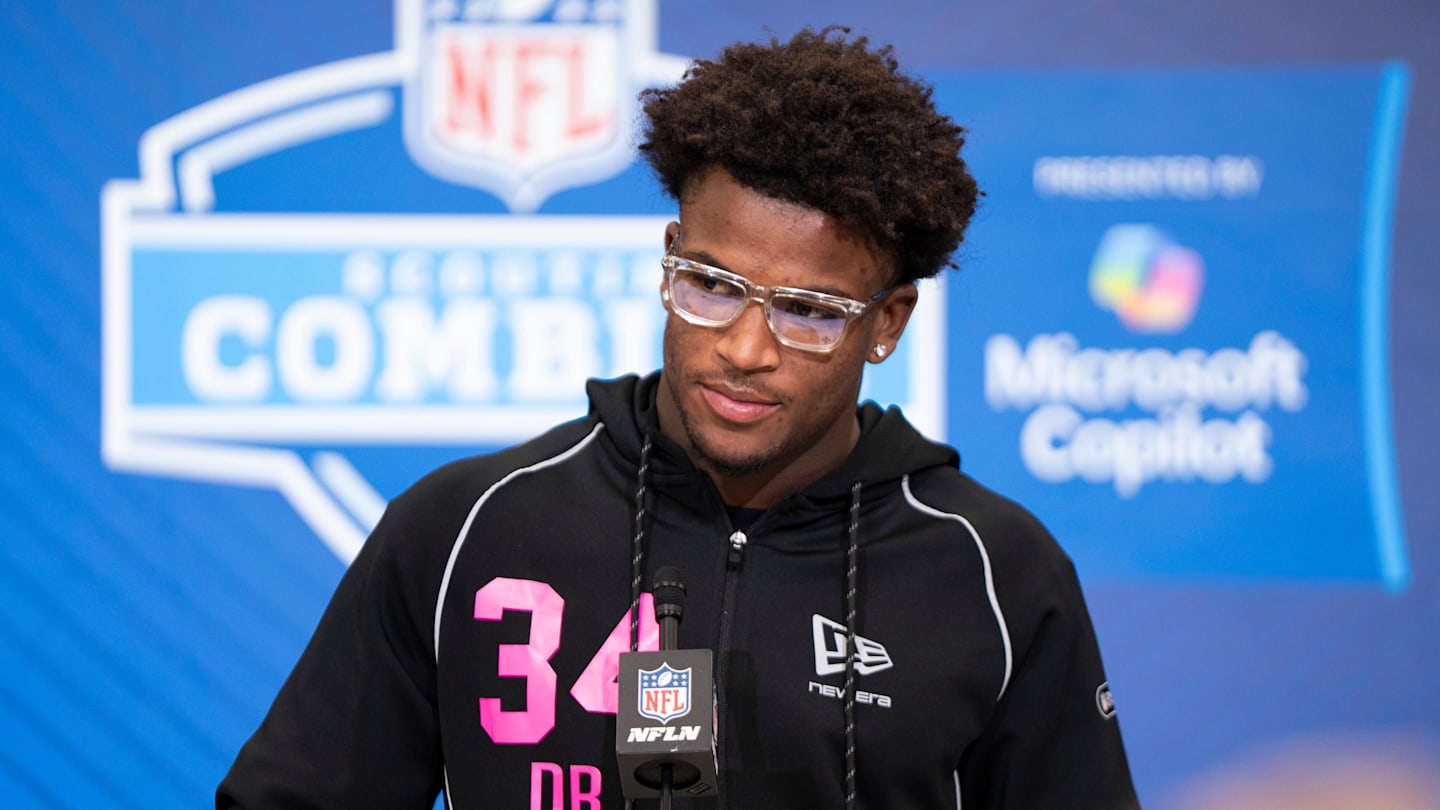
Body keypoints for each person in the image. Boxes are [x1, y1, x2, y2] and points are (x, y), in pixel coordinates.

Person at [217, 27, 1139, 810]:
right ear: (669, 261)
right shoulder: (464, 525)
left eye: (809, 311)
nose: (744, 348)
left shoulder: (993, 573)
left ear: (886, 322)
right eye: (712, 286)